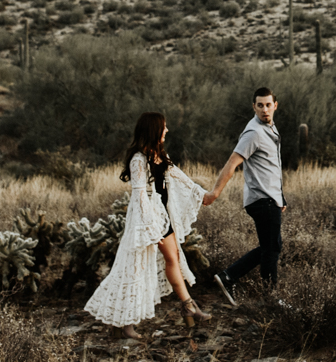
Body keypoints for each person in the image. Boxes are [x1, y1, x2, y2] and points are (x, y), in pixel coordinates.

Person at [85, 112, 215, 337]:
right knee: (135, 267)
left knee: (173, 260)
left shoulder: (159, 155)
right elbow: (139, 196)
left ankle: (189, 308)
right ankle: (126, 325)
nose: (166, 131)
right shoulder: (138, 159)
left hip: (164, 217)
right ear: (154, 130)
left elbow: (178, 175)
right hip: (147, 221)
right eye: (163, 128)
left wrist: (201, 193)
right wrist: (149, 227)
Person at [202, 87, 285, 305]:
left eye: (268, 105)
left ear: (275, 105)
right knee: (271, 250)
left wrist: (280, 197)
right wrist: (215, 192)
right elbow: (232, 163)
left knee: (271, 246)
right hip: (261, 200)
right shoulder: (254, 133)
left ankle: (228, 276)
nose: (265, 110)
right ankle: (270, 300)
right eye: (260, 105)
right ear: (254, 107)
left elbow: (271, 168)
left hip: (270, 199)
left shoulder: (270, 128)